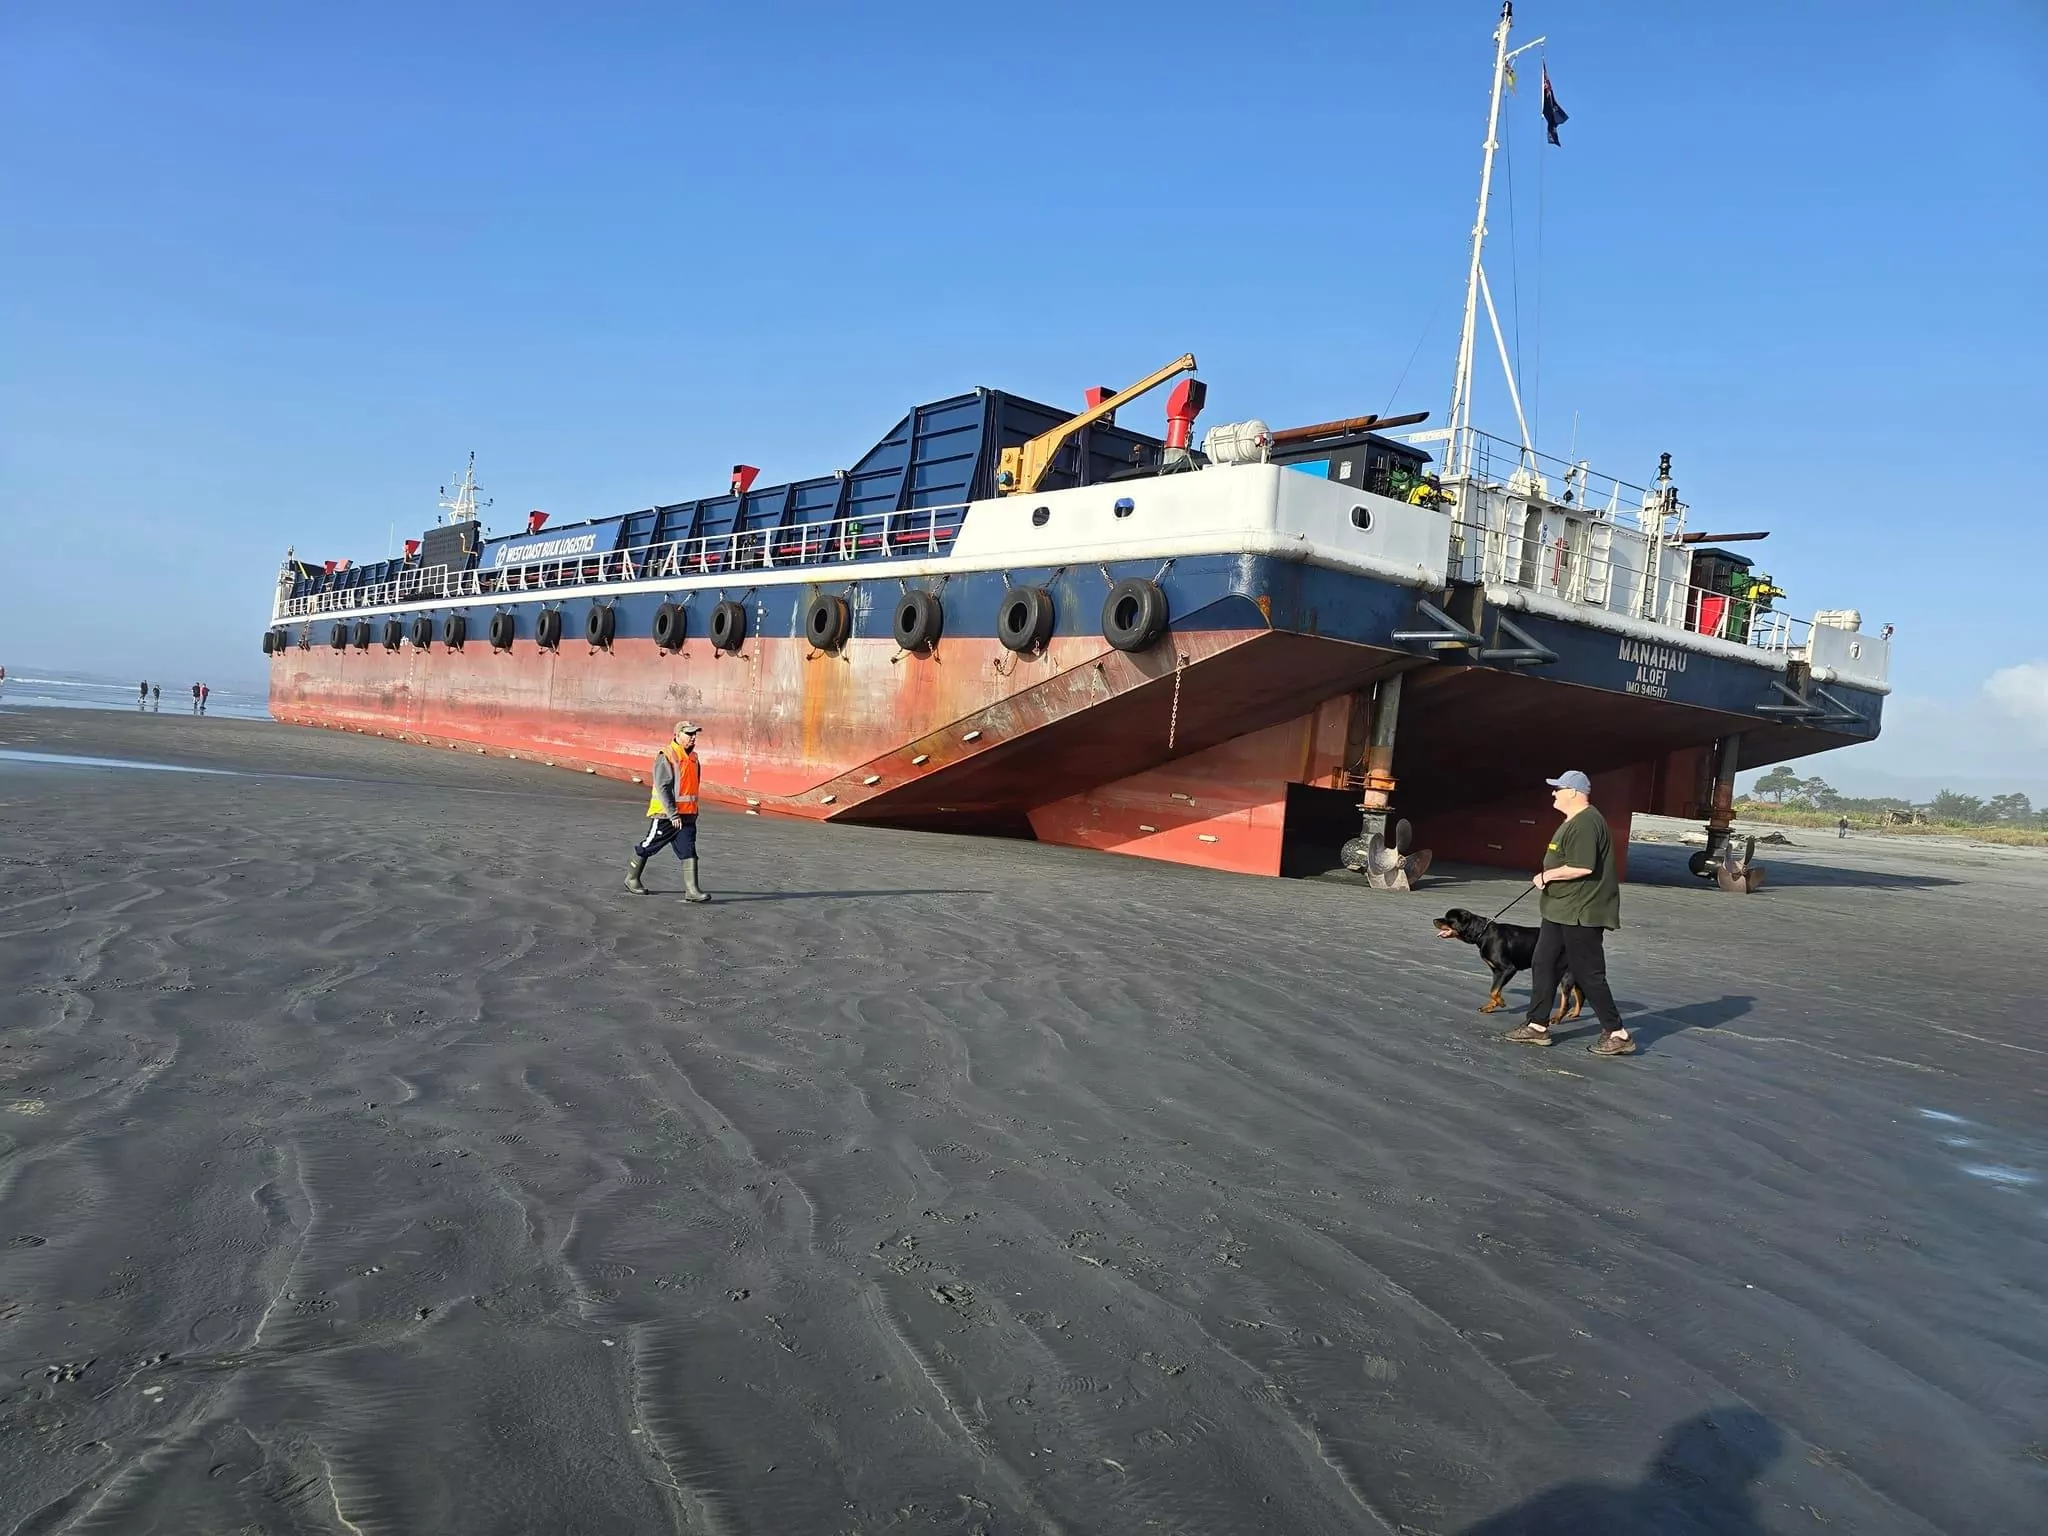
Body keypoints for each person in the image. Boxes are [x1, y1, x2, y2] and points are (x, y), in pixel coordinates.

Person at [1503, 770, 1633, 1056]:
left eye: (1558, 789)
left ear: (1573, 792)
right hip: (1560, 910)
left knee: (1588, 973)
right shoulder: (1573, 821)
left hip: (1581, 912)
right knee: (1543, 963)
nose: (1553, 793)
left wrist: (1547, 876)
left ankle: (1617, 1033)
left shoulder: (1586, 822)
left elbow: (1583, 866)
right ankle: (1537, 1026)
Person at [627, 720, 709, 902]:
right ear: (677, 735)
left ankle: (692, 891)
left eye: (695, 734)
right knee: (648, 846)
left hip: (687, 816)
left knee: (689, 851)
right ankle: (631, 879)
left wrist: (693, 811)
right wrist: (672, 814)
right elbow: (663, 787)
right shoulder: (667, 756)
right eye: (689, 734)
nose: (693, 738)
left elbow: (692, 788)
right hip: (666, 815)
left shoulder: (694, 758)